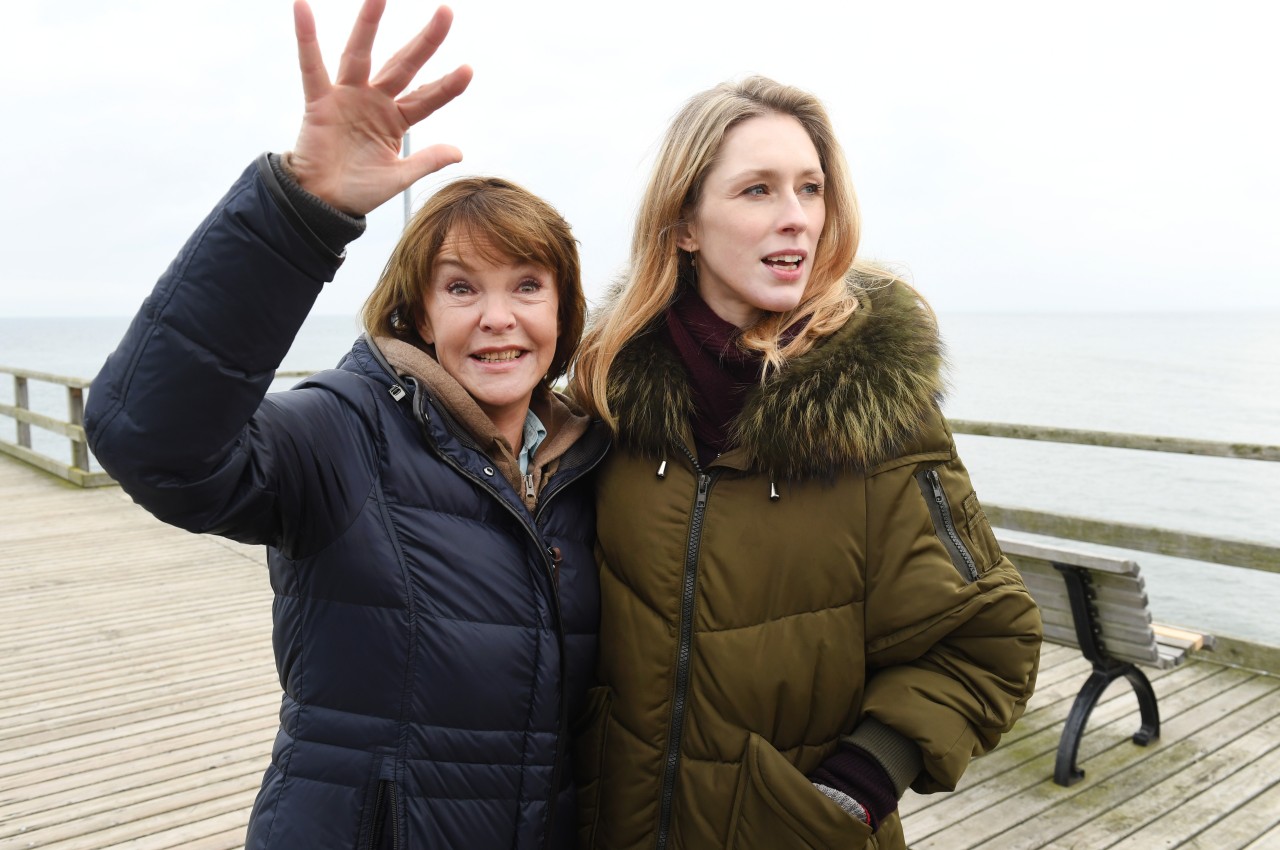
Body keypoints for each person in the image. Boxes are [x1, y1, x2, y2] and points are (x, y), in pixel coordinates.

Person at [84, 2, 607, 847]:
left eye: (528, 286)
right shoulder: (344, 431)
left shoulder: (590, 466)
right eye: (462, 287)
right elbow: (154, 443)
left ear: (565, 310)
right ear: (420, 311)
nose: (498, 318)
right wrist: (297, 213)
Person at [568, 77, 1043, 849]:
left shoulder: (876, 417)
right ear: (685, 223)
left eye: (811, 189)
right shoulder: (607, 397)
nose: (796, 217)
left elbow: (987, 639)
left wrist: (858, 784)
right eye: (757, 189)